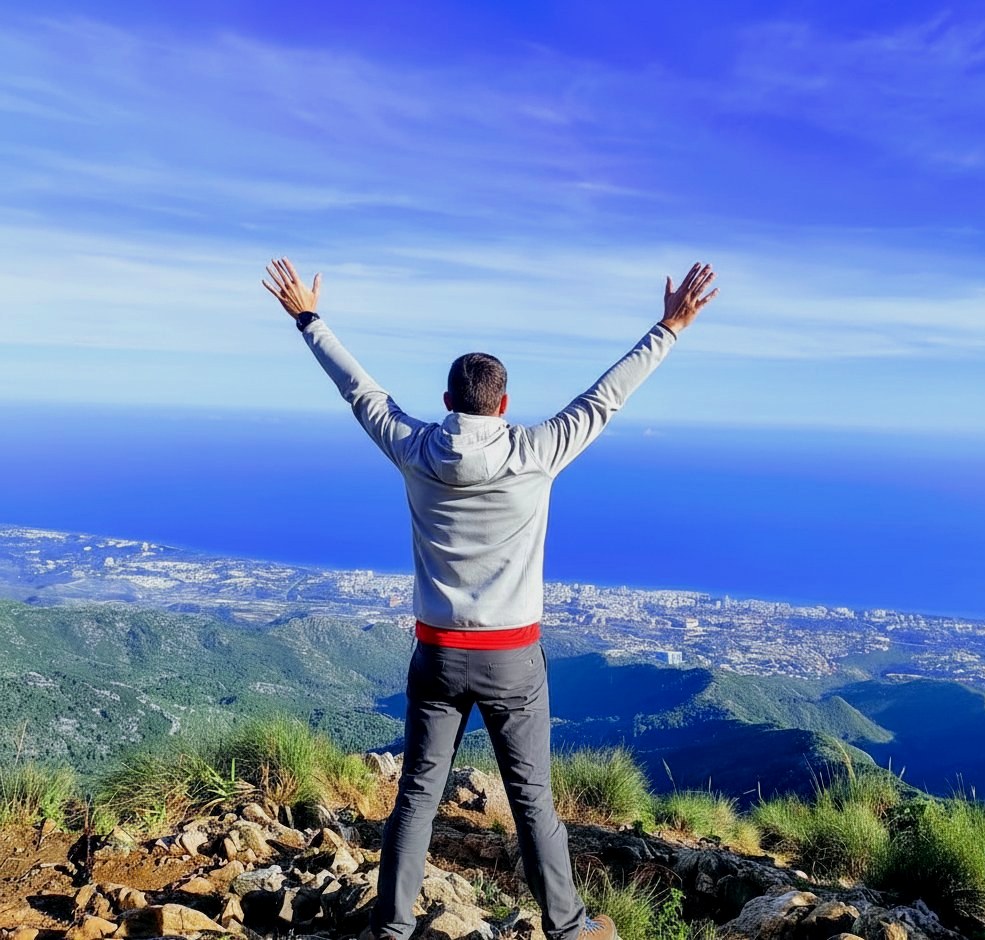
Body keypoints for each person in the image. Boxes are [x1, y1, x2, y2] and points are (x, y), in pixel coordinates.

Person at [262, 257, 718, 940]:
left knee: (418, 796)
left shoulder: (415, 449)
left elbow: (359, 390)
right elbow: (605, 397)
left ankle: (392, 929)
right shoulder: (537, 451)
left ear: (448, 400)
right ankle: (568, 928)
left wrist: (308, 318)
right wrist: (670, 326)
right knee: (533, 801)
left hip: (438, 655)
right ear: (502, 405)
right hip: (512, 659)